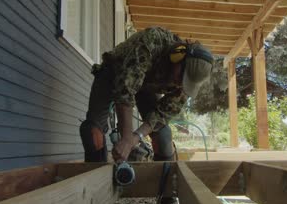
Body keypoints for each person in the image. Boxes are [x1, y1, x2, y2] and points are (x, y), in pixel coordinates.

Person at [80, 26, 214, 165]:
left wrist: (135, 137)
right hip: (112, 74)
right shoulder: (152, 41)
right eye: (181, 76)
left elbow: (161, 115)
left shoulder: (184, 85)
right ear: (178, 56)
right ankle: (97, 177)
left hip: (145, 87)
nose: (180, 83)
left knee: (163, 136)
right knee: (92, 131)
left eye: (186, 82)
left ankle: (163, 181)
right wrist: (126, 138)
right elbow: (126, 89)